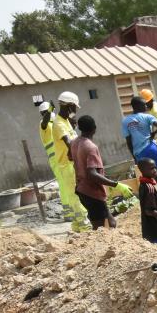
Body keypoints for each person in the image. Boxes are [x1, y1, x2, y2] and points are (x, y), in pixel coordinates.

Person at [70, 115, 133, 230]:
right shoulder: (90, 147)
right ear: (94, 128)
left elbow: (71, 158)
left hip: (81, 190)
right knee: (106, 226)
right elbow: (92, 174)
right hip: (92, 192)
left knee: (103, 223)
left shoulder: (74, 142)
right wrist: (116, 184)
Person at [52, 91, 88, 232]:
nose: (75, 111)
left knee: (78, 194)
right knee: (76, 195)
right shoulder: (59, 124)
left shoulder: (66, 121)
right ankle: (85, 225)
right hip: (67, 165)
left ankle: (77, 226)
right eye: (74, 108)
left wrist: (73, 120)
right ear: (69, 106)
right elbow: (70, 144)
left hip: (73, 163)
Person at [122, 96, 157, 189]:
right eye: (144, 104)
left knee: (145, 177)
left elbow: (128, 140)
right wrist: (153, 134)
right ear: (137, 106)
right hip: (151, 147)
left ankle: (150, 194)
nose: (146, 106)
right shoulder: (148, 117)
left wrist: (133, 156)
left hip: (139, 152)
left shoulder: (125, 121)